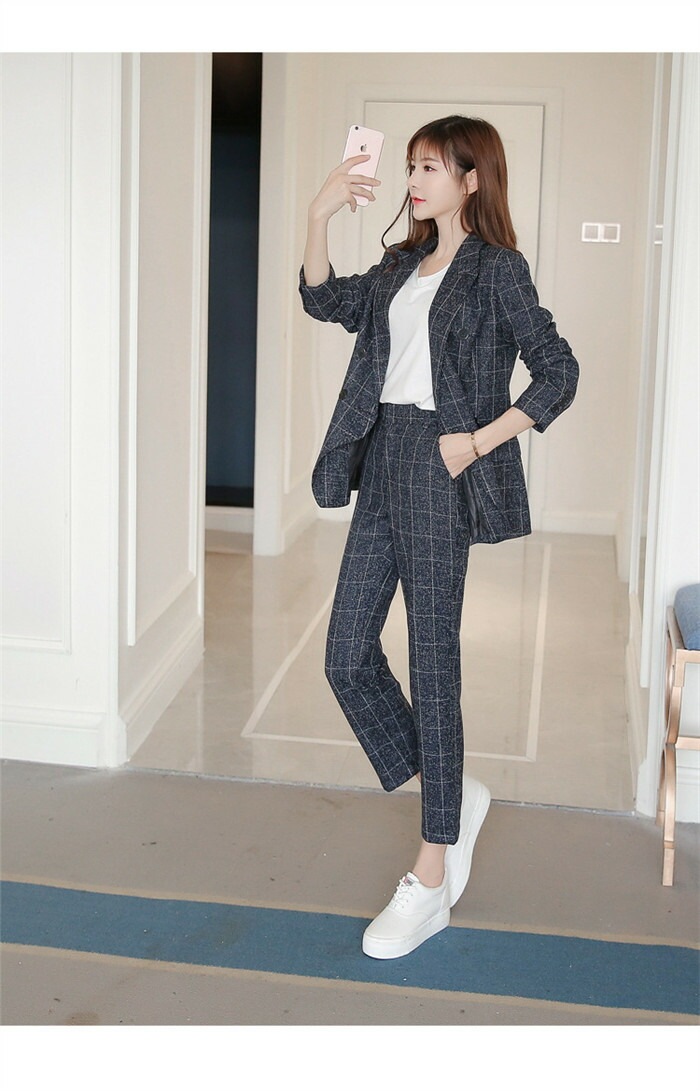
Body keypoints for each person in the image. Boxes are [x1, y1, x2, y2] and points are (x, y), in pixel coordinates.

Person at [299, 115, 579, 960]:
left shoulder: (497, 270)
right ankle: (453, 793)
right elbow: (323, 299)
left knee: (431, 660)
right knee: (345, 654)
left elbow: (558, 371)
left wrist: (479, 441)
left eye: (430, 167)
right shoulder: (398, 265)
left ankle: (430, 873)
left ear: (471, 179)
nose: (414, 180)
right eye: (412, 166)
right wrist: (318, 215)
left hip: (441, 464)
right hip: (381, 453)